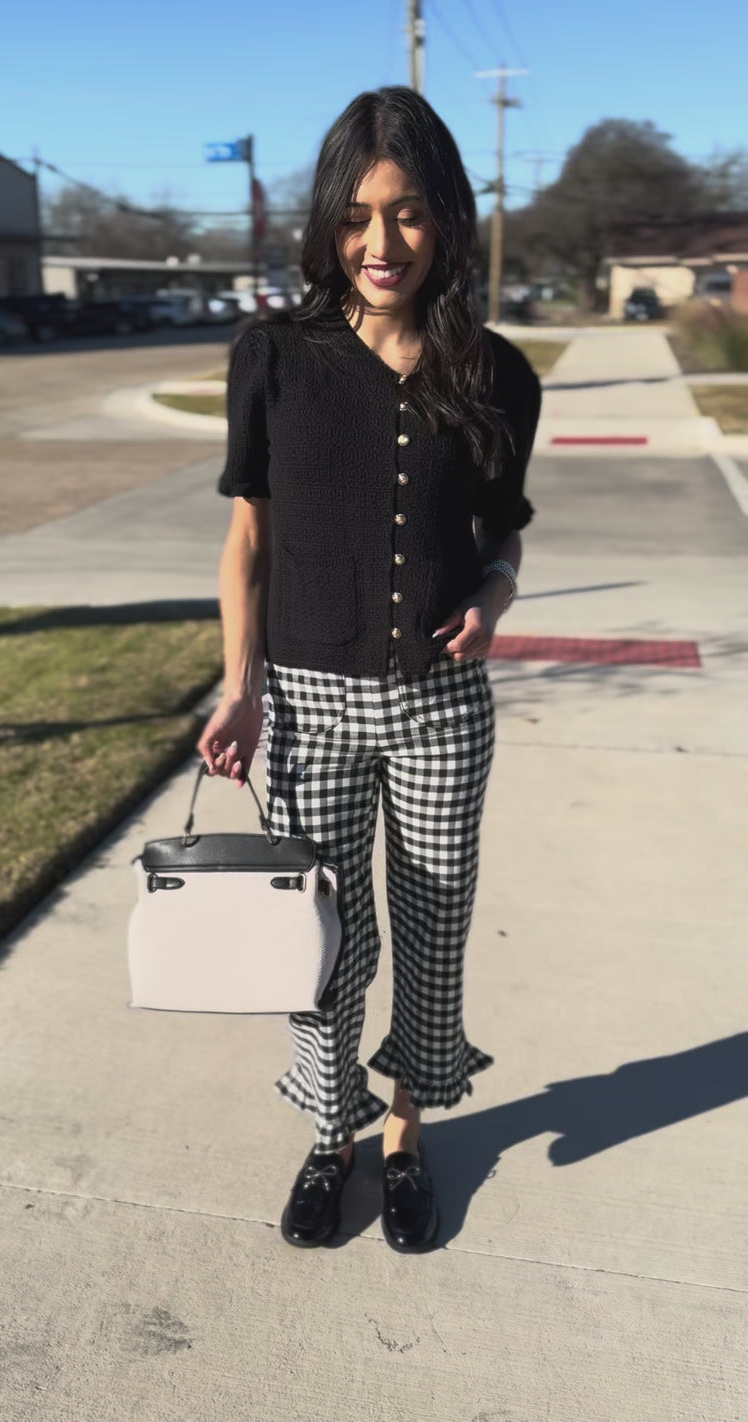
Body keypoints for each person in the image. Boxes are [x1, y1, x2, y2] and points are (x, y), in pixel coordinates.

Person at [197, 86, 541, 1253]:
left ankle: (403, 1134)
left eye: (404, 215)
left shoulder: (495, 375)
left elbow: (501, 535)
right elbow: (248, 536)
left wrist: (494, 597)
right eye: (354, 217)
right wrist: (239, 684)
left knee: (433, 933)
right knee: (321, 942)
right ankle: (326, 1133)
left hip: (442, 708)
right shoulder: (275, 357)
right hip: (304, 701)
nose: (379, 244)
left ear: (442, 217)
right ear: (327, 225)